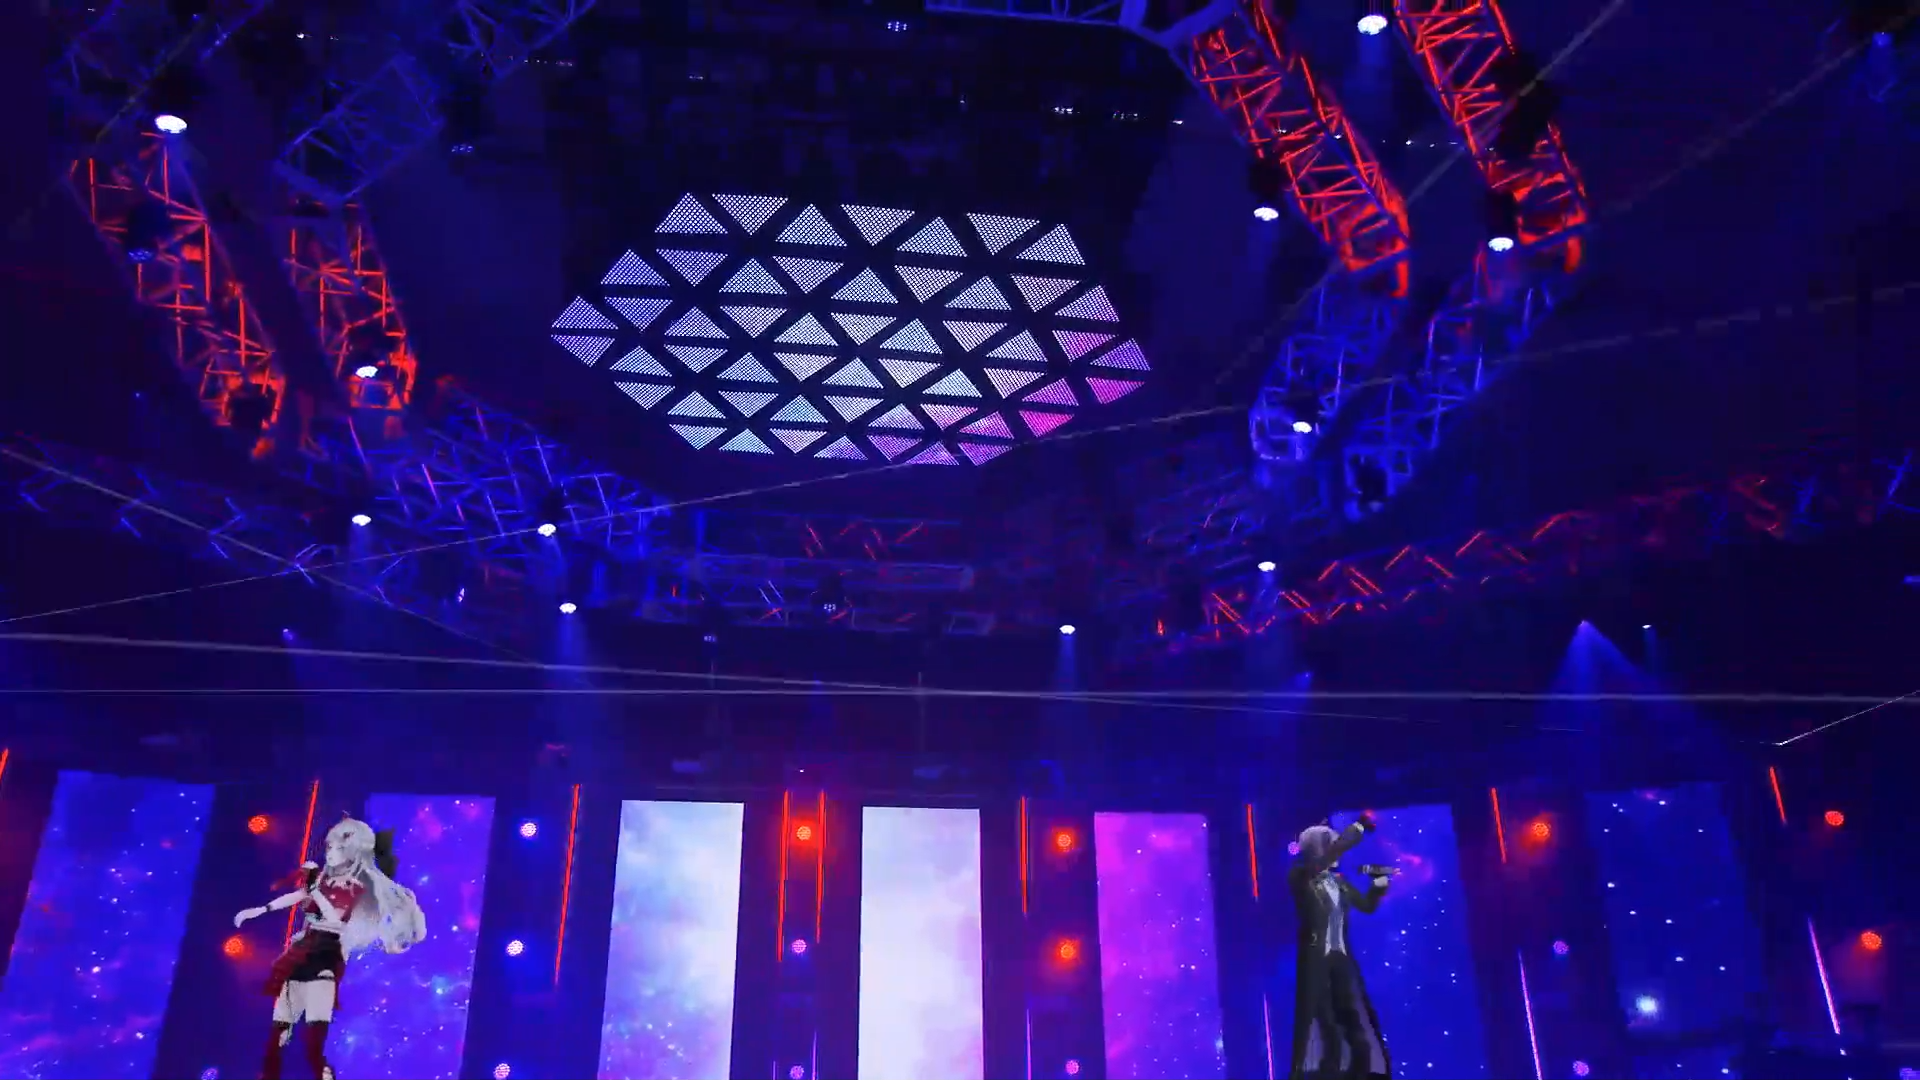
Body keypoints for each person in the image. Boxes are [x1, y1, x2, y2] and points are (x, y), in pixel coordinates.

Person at [233, 815, 428, 1080]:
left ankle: (322, 1073)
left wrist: (315, 891)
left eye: (338, 848)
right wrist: (261, 909)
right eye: (329, 847)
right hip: (302, 951)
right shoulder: (323, 880)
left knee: (313, 1038)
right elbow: (299, 895)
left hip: (325, 954)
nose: (331, 853)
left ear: (354, 853)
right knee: (279, 1030)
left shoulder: (354, 887)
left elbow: (335, 919)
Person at [1288, 816, 1398, 1080]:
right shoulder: (1300, 877)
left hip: (1340, 958)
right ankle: (1322, 1072)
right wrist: (1358, 827)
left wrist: (1379, 884)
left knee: (1352, 1018)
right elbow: (1330, 855)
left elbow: (1367, 906)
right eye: (1332, 845)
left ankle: (1360, 1071)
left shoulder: (1340, 883)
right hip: (1317, 958)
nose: (1338, 851)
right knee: (1323, 1021)